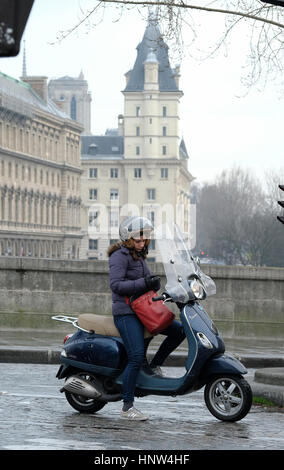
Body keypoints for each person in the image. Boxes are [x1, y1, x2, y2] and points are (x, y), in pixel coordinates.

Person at [107, 216, 185, 421]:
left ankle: (153, 366)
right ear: (128, 238)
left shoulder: (139, 255)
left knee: (179, 330)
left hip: (143, 310)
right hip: (126, 312)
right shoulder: (119, 256)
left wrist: (155, 284)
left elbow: (145, 283)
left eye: (145, 239)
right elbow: (116, 285)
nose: (142, 243)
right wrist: (143, 282)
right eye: (138, 239)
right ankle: (127, 407)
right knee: (135, 356)